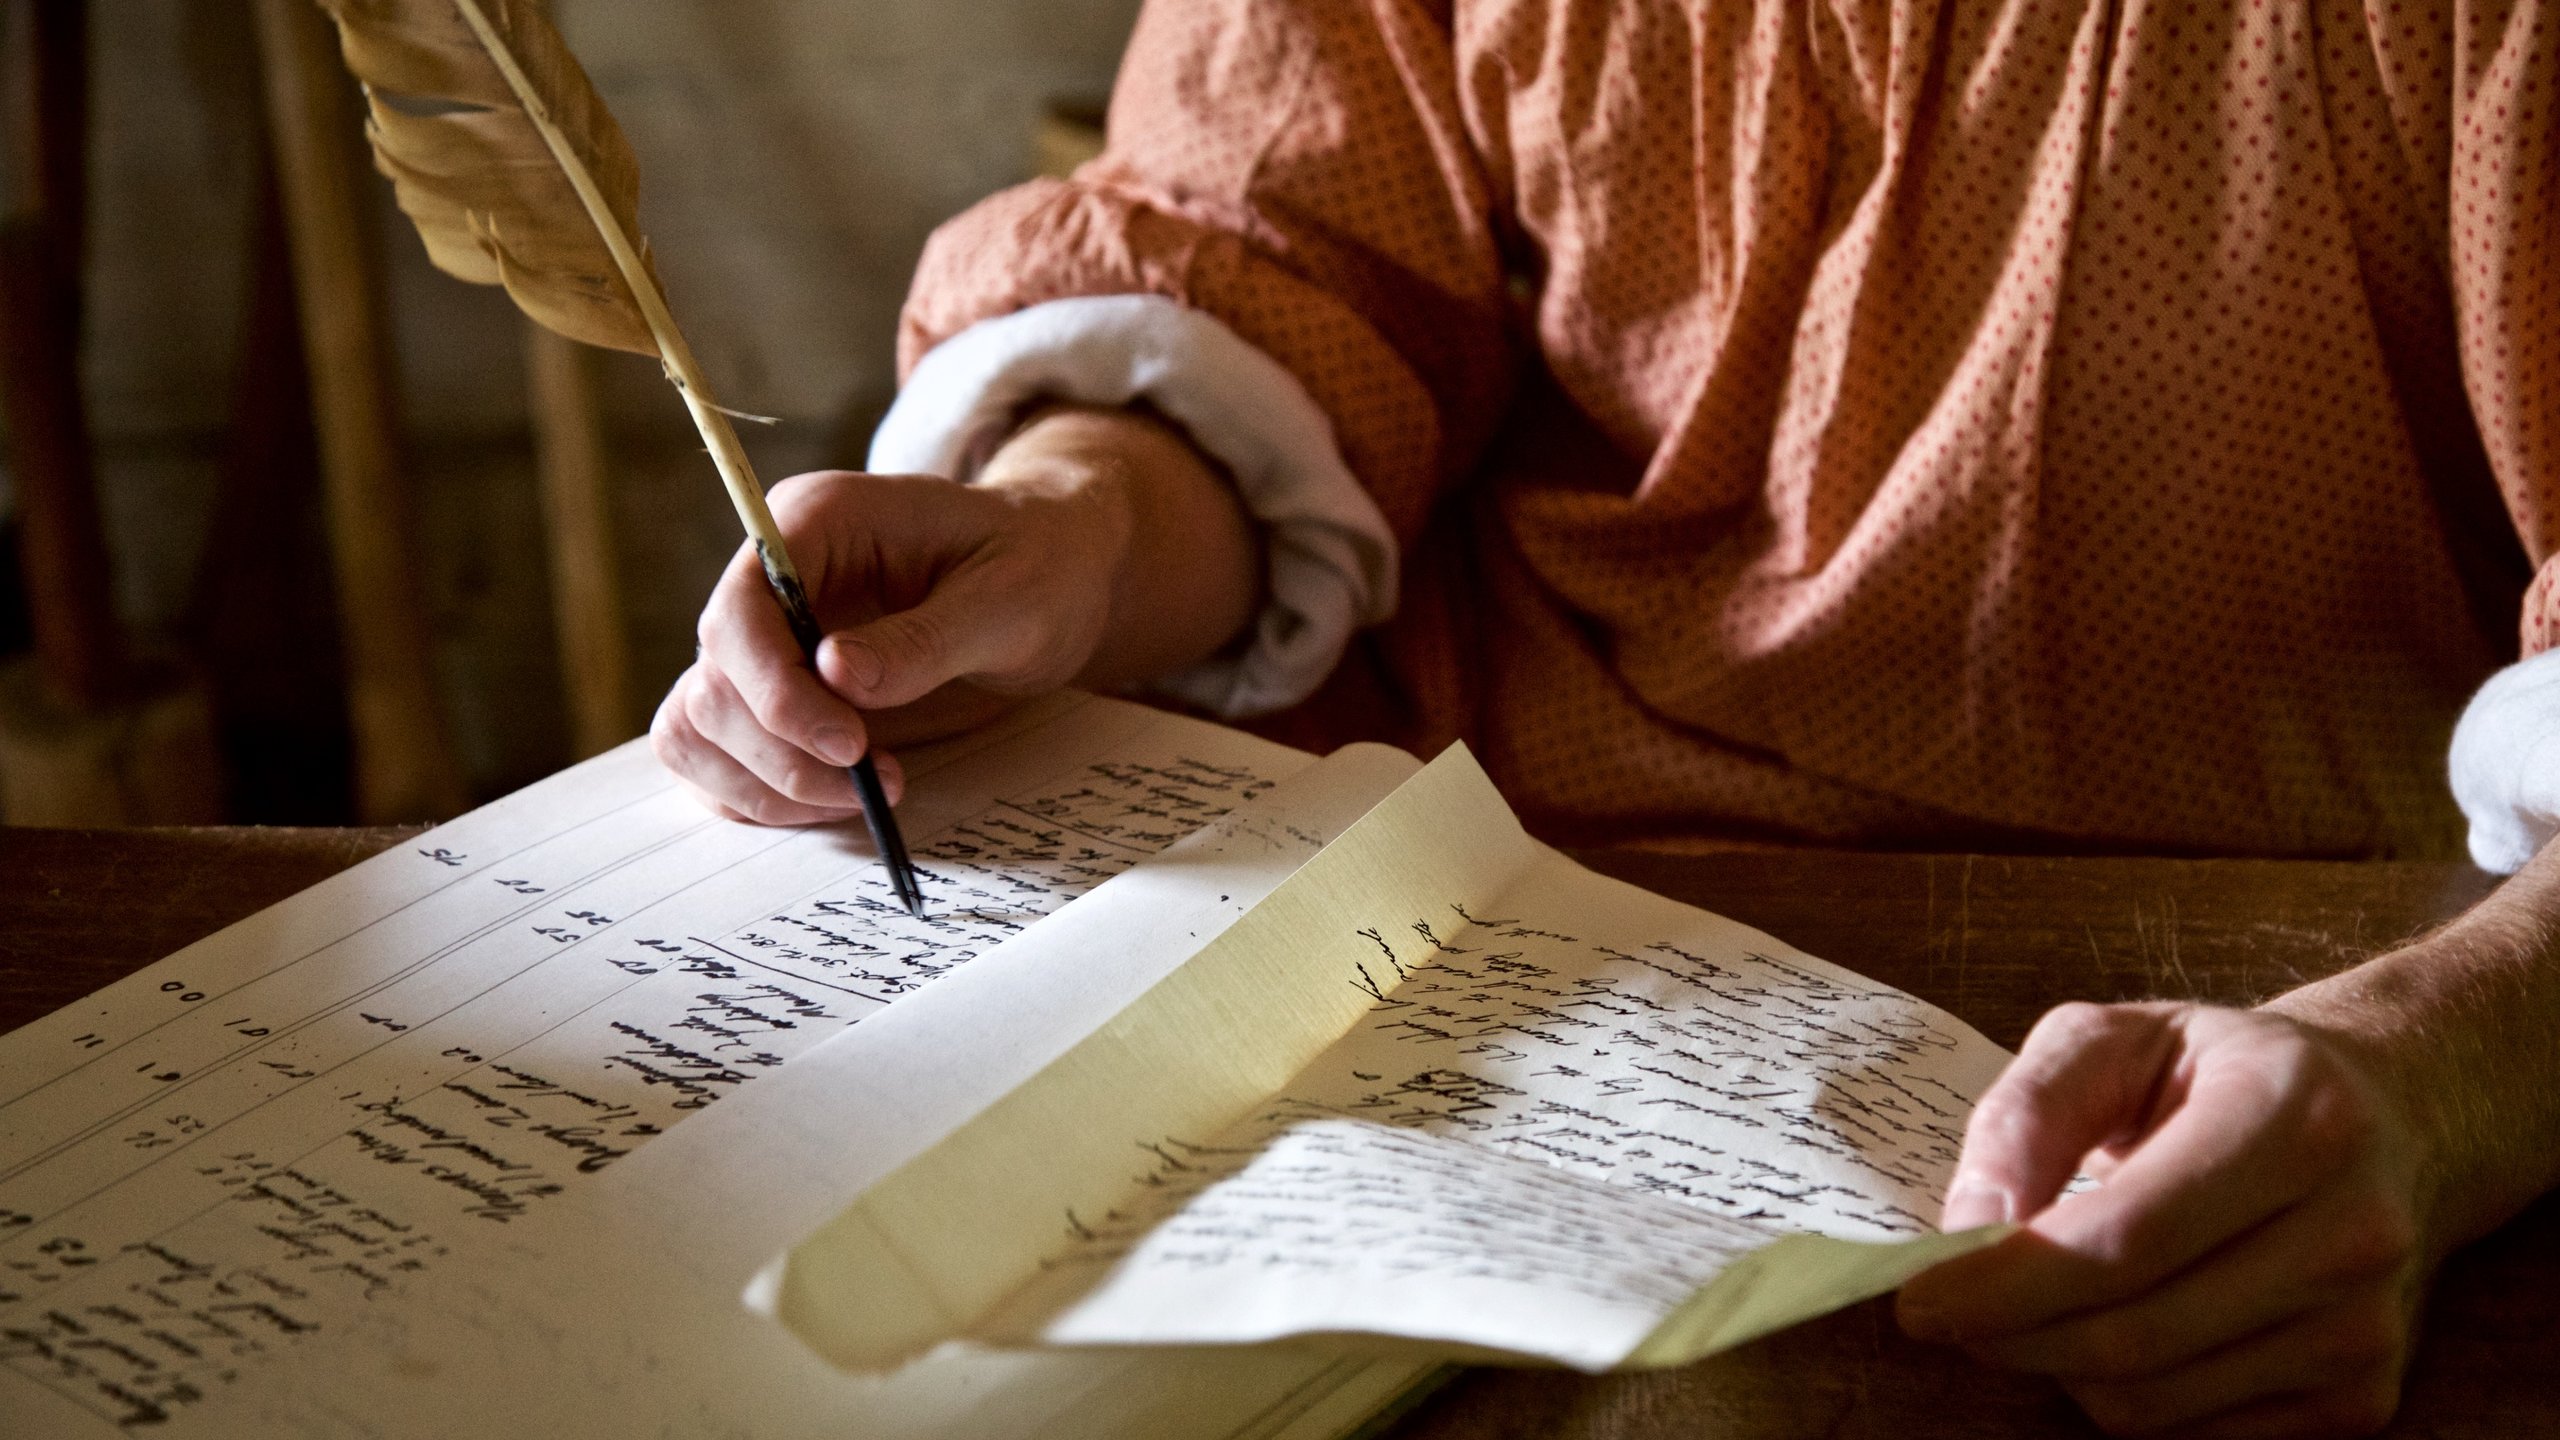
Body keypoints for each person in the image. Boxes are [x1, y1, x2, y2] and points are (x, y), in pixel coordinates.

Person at [651, 2, 2559, 1434]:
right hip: (1486, 975)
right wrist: (1077, 515)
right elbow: (1276, 258)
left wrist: (2446, 1069)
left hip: (2261, 1030)